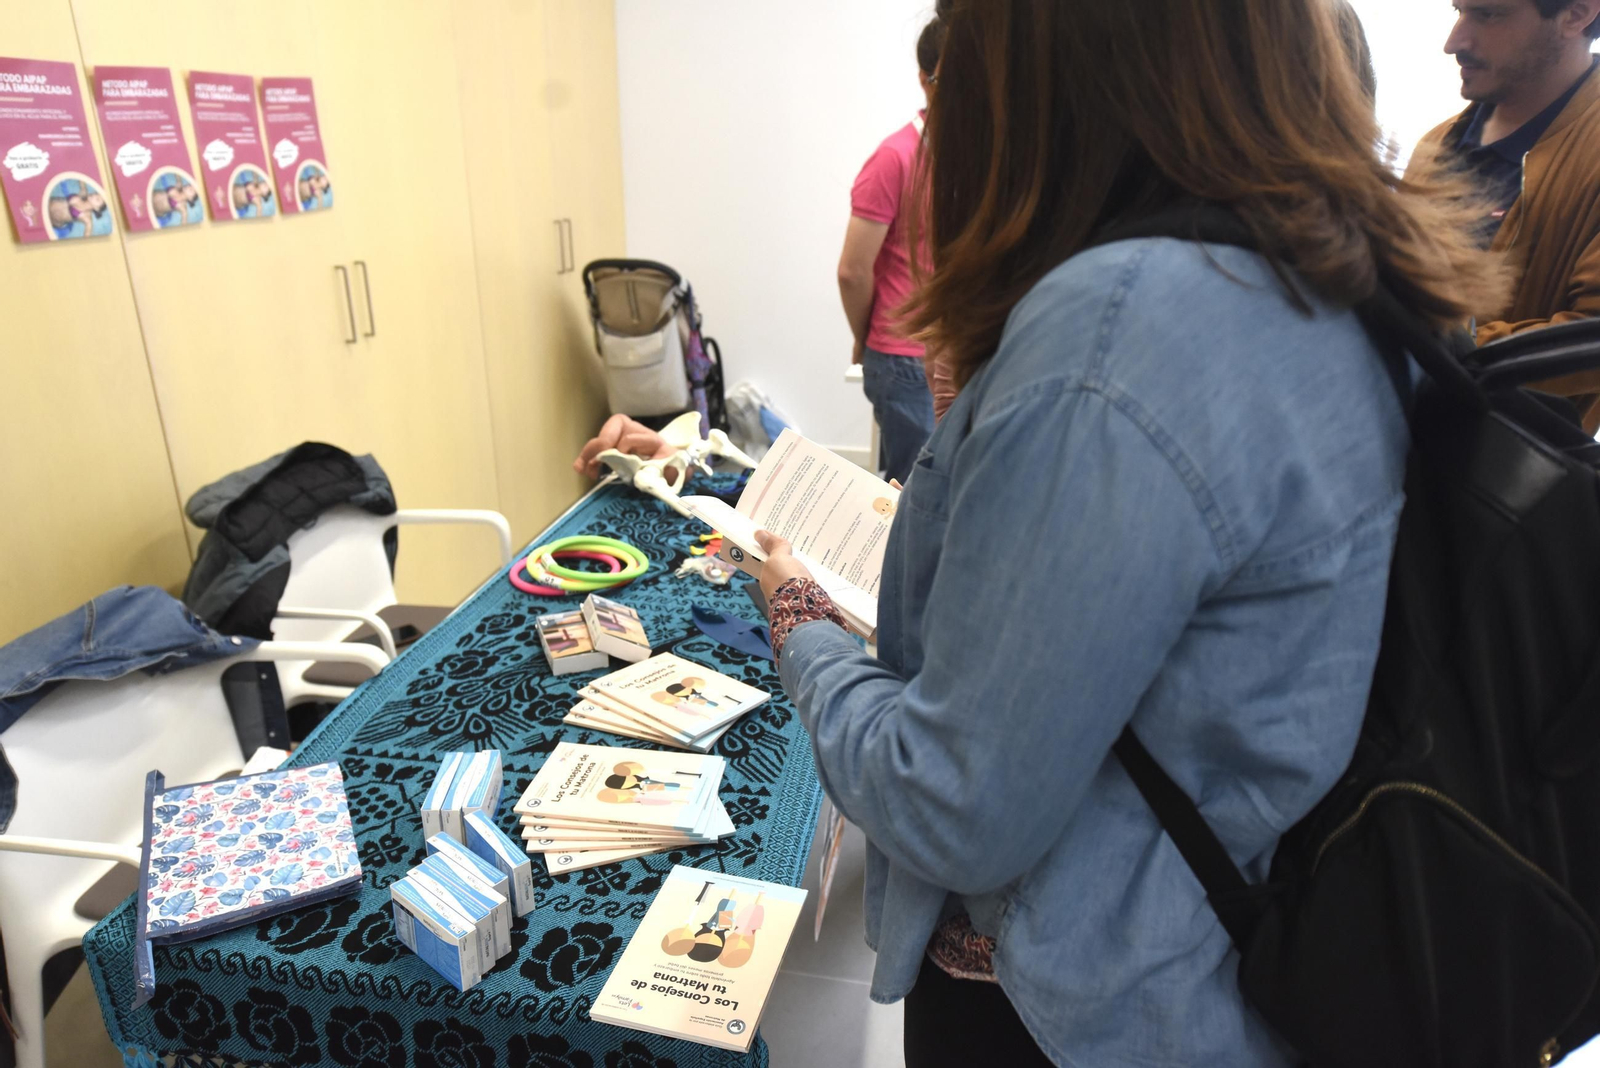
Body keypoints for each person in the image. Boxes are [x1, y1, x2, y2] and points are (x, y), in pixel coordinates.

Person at [741, 0, 1501, 1063]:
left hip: (1081, 1009)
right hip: (1242, 940)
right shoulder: (1323, 277)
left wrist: (801, 625)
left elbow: (947, 804)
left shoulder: (1119, 329)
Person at [1411, 0, 1600, 419]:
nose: (1453, 42)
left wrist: (1425, 346)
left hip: (1502, 473)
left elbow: (1593, 340)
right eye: (1457, 11)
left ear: (1576, 14)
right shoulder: (1436, 144)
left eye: (1488, 14)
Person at [836, 16, 945, 484]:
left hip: (953, 351)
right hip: (903, 359)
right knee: (912, 496)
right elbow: (852, 272)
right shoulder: (896, 157)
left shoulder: (980, 159)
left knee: (937, 489)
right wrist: (866, 336)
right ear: (924, 79)